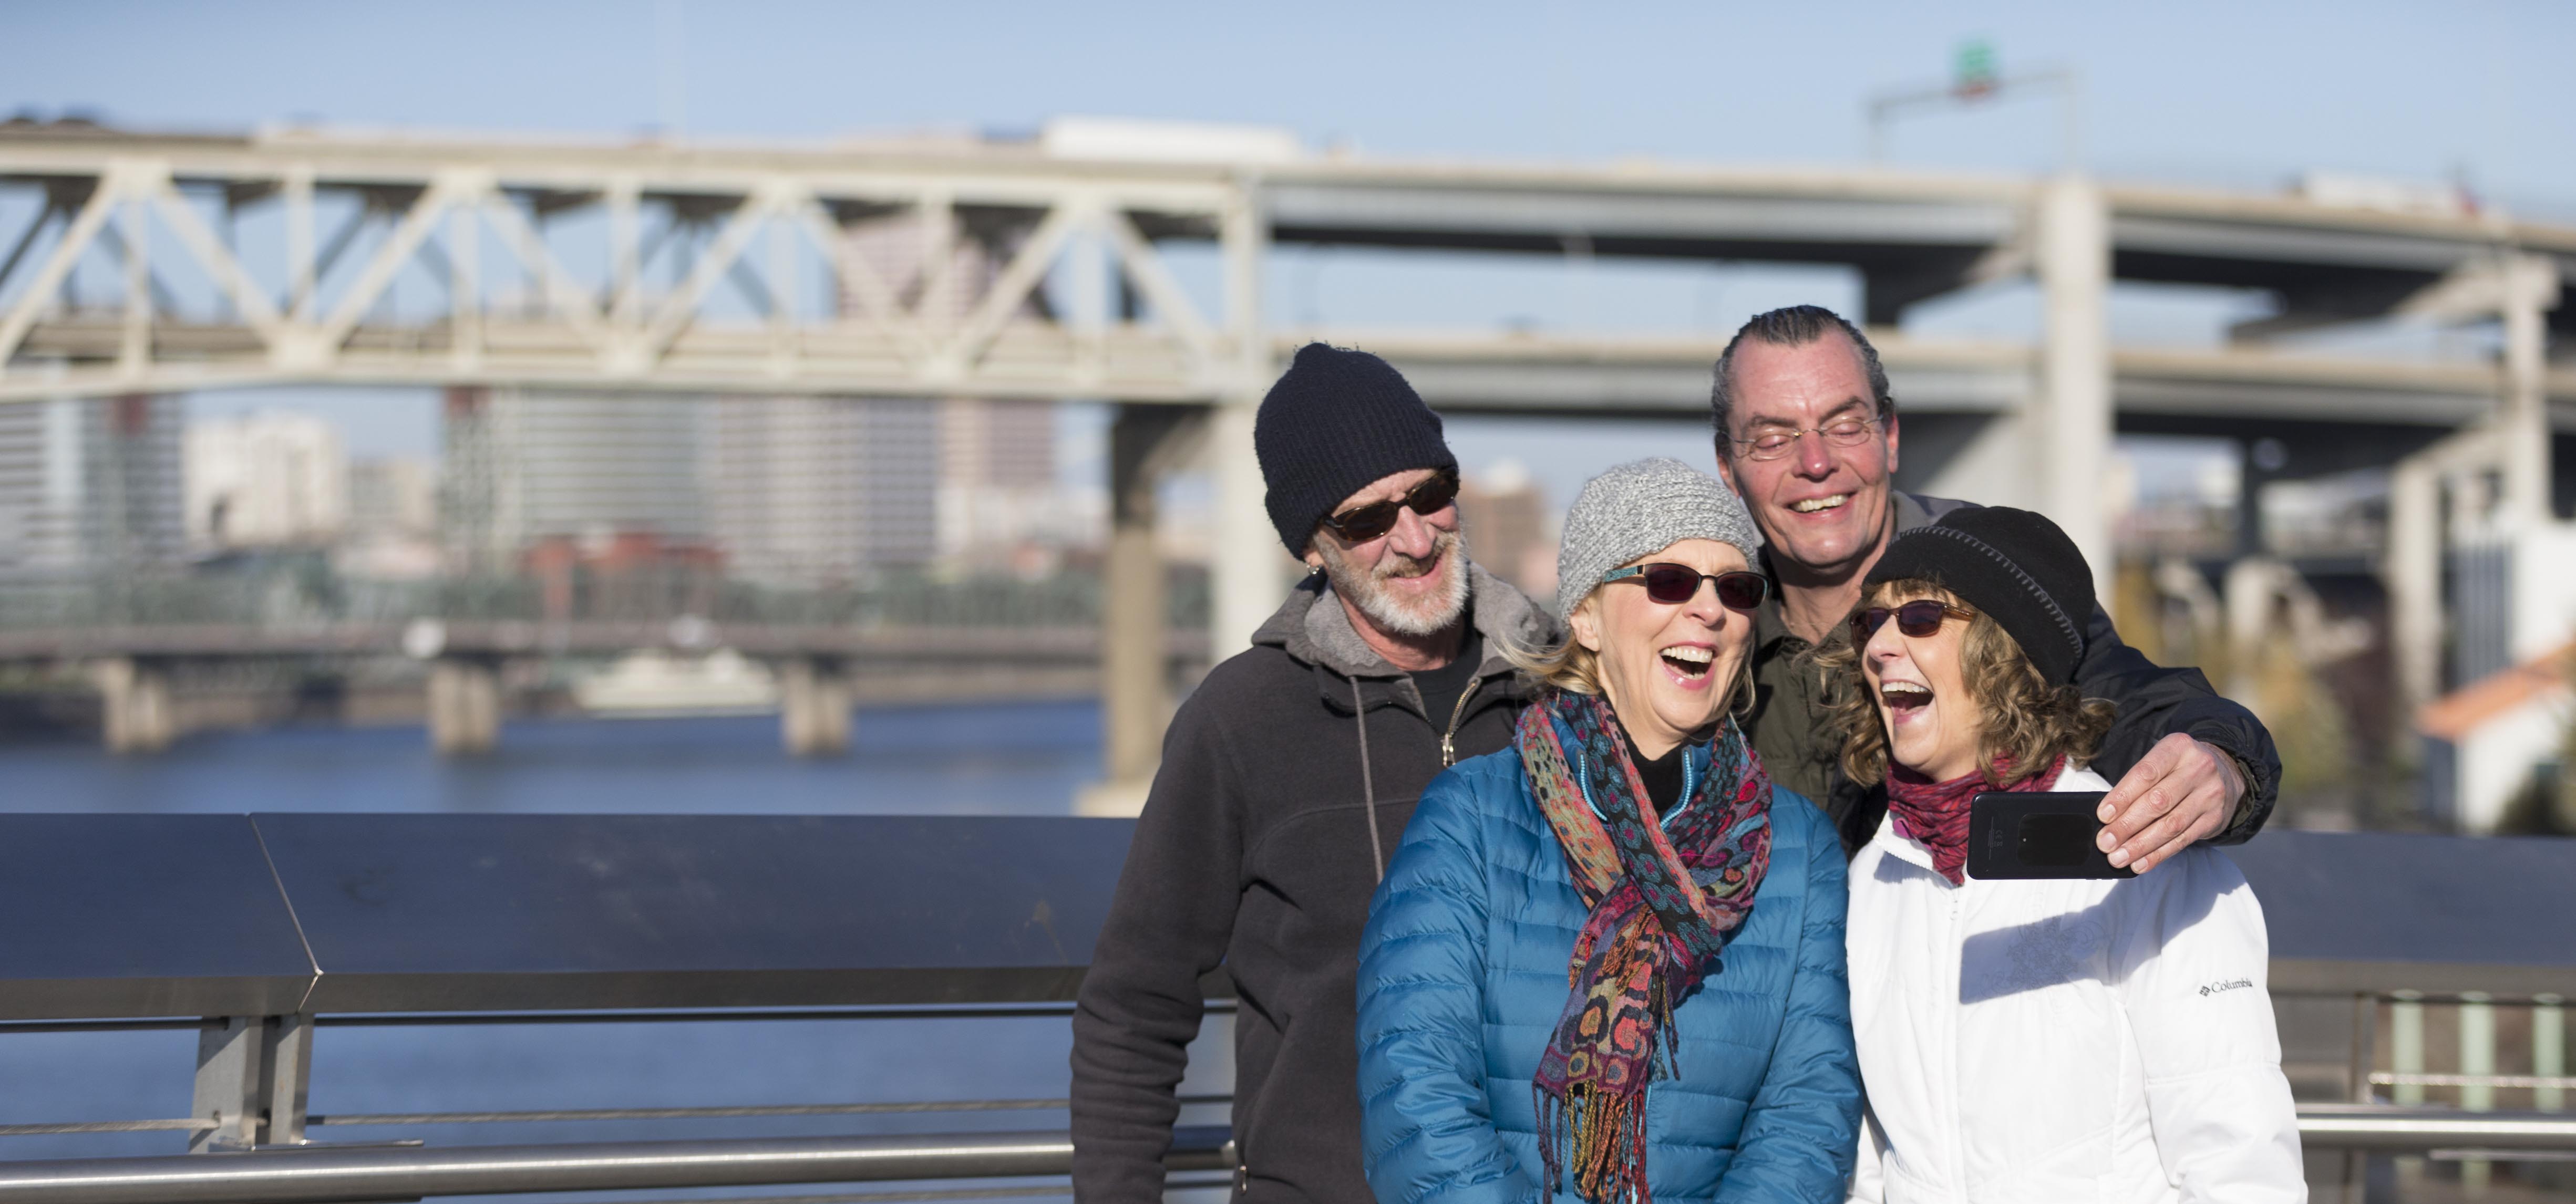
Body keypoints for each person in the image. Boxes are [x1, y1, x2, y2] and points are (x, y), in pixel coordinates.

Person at [1072, 344, 1558, 1204]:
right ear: (1311, 546)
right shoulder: (1241, 719)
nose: (1413, 539)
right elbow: (1135, 1007)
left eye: (1429, 498)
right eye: (1366, 521)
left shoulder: (1560, 685)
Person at [1358, 459, 1860, 1204]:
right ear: (1587, 617)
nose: (1707, 610)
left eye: (1735, 587)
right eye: (1666, 581)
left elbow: (1807, 1113)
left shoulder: (1798, 851)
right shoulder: (1470, 815)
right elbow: (1415, 1087)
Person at [1817, 506, 2303, 1202]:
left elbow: (2238, 1164)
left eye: (1921, 617)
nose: (1880, 646)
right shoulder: (1874, 875)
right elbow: (1870, 1166)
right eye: (1872, 621)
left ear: (2004, 650)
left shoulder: (2141, 858)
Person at [1709, 305, 2281, 870]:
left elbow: (2126, 699)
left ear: (1889, 437)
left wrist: (2222, 765)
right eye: (1773, 438)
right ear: (1728, 467)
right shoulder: (1704, 624)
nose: (1815, 463)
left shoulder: (1994, 576)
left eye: (1844, 425)